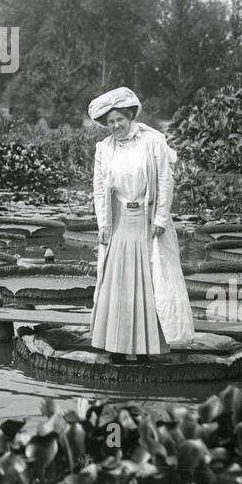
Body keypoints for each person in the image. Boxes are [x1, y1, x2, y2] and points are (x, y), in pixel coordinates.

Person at [87, 87, 194, 363]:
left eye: (120, 120)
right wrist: (103, 225)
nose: (115, 126)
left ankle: (148, 346)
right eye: (110, 122)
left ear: (130, 116)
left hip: (147, 219)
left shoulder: (153, 141)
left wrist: (160, 218)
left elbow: (165, 181)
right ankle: (116, 346)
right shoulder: (103, 149)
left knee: (148, 280)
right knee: (119, 281)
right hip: (120, 219)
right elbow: (100, 190)